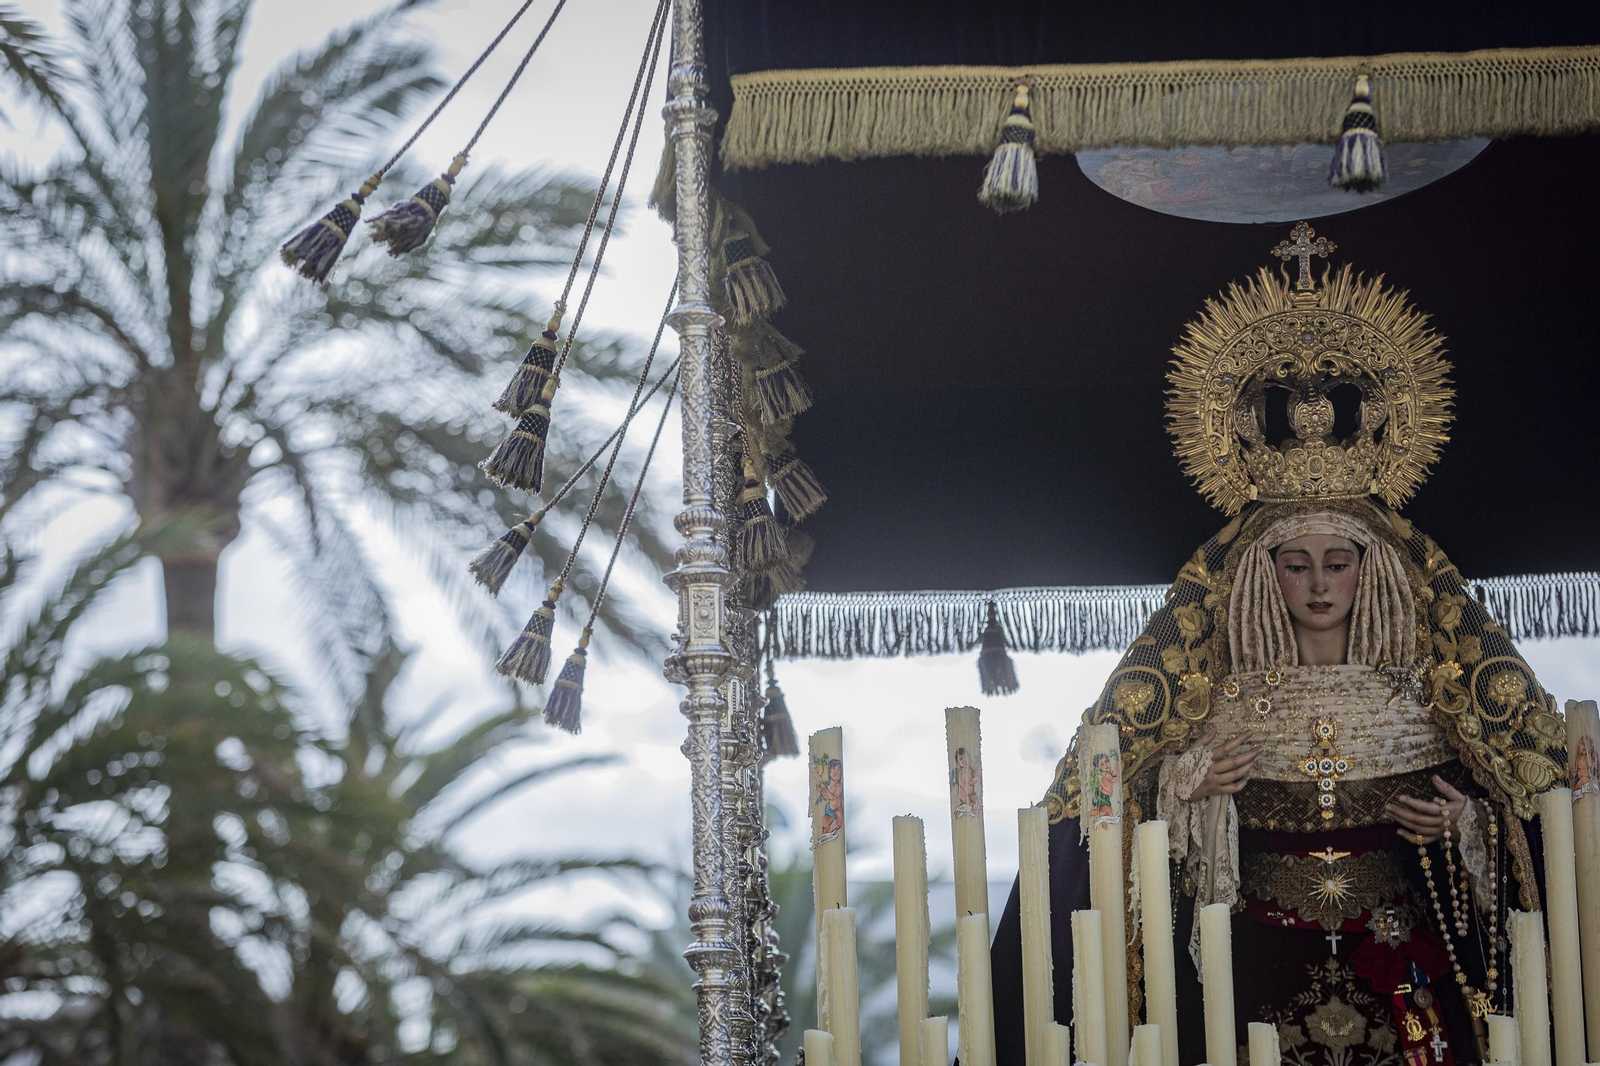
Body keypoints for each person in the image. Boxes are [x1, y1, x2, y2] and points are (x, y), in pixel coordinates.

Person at [990, 228, 1568, 1066]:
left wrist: (1468, 826)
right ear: (1264, 578)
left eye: (1339, 563)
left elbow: (1537, 812)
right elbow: (1108, 812)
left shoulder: (1426, 699)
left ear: (1377, 574)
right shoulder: (1214, 702)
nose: (1320, 585)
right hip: (1248, 979)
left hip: (1405, 975)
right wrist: (1187, 787)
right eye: (1296, 566)